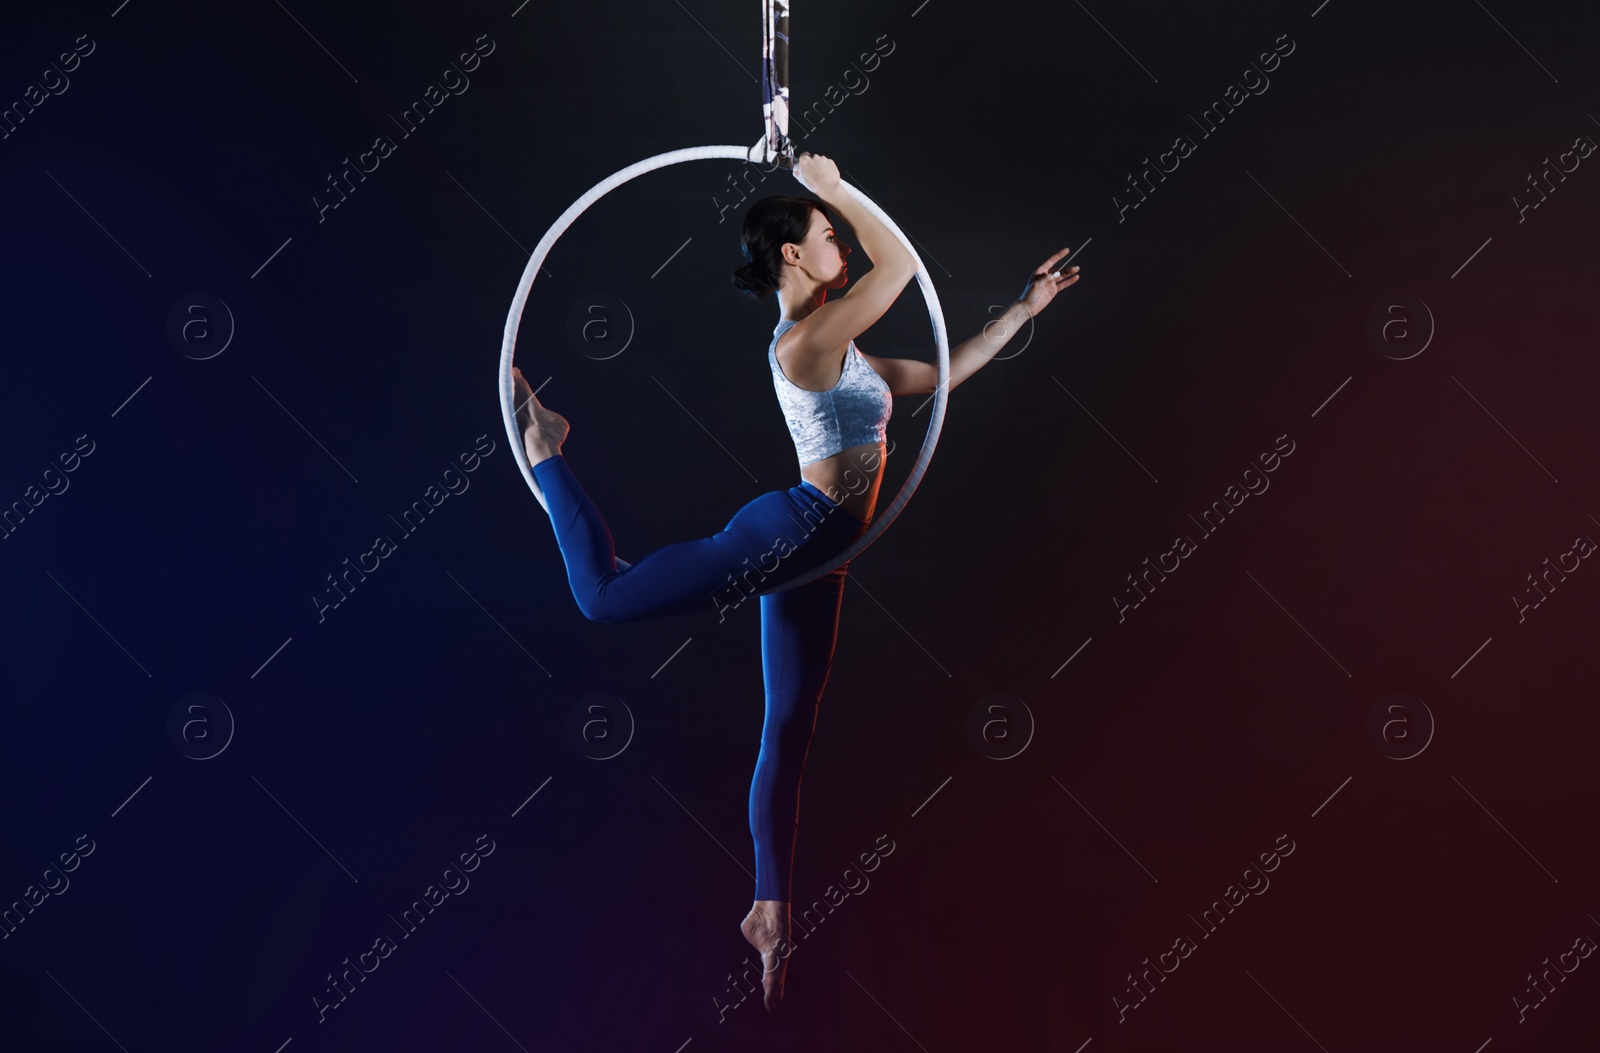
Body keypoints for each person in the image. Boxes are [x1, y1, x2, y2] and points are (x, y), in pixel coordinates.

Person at [512, 150, 1079, 1010]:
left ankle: (768, 909)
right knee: (603, 597)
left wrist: (1024, 309)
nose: (840, 245)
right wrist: (834, 186)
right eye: (825, 236)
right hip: (795, 534)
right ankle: (549, 450)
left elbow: (948, 375)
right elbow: (903, 266)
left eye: (837, 233)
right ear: (790, 254)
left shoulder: (850, 354)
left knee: (790, 727)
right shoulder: (807, 342)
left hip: (824, 557)